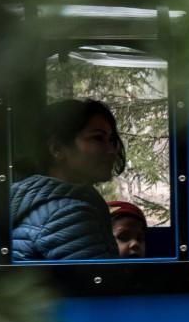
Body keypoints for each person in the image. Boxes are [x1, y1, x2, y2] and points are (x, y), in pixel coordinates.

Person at [10, 99, 124, 261]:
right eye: (98, 138)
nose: (111, 150)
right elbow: (99, 277)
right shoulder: (69, 215)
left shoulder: (42, 202)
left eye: (111, 140)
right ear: (57, 149)